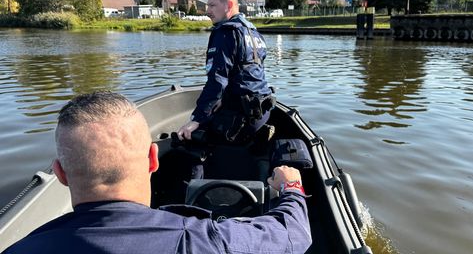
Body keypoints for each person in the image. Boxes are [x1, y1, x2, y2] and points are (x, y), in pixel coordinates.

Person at [2, 92, 311, 254]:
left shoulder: (21, 249)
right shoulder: (203, 241)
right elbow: (294, 236)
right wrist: (292, 187)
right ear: (153, 159)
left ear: (60, 174)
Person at [178, 0, 274, 143]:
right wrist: (224, 99)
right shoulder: (254, 32)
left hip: (240, 119)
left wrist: (197, 119)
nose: (207, 11)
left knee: (191, 141)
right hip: (262, 113)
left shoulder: (225, 33)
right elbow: (249, 76)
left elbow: (217, 81)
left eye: (212, 5)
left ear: (228, 5)